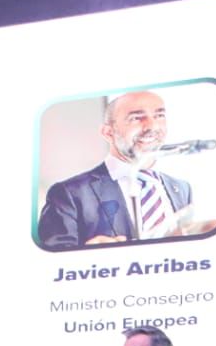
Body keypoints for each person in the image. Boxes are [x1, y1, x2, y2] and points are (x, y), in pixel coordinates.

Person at [37, 89, 194, 249]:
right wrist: (87, 255)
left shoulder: (182, 188)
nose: (152, 126)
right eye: (136, 118)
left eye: (159, 116)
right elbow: (52, 258)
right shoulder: (68, 194)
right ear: (108, 132)